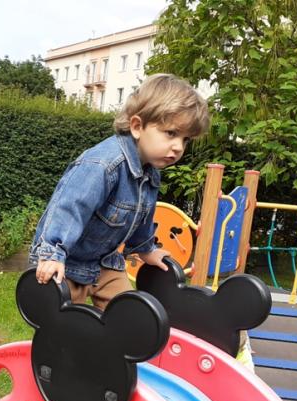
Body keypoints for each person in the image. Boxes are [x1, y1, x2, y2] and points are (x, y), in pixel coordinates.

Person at [29, 73, 210, 309]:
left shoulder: (150, 173)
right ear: (137, 126)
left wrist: (146, 249)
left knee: (129, 314)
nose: (178, 147)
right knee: (68, 324)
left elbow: (142, 219)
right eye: (171, 133)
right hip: (68, 264)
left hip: (106, 264)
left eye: (185, 140)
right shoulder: (103, 165)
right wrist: (52, 254)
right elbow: (70, 207)